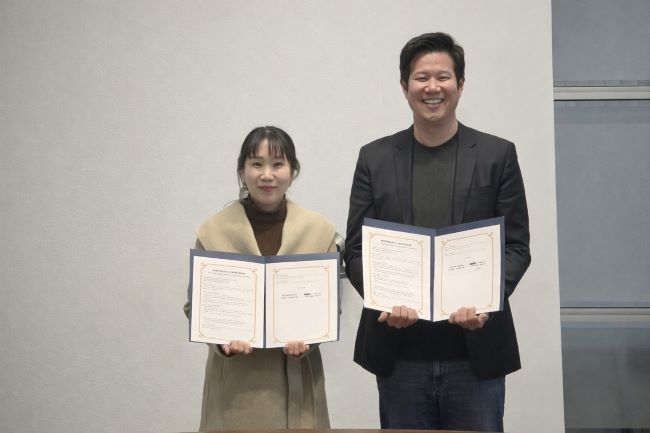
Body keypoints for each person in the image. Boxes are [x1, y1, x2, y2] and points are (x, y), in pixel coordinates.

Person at [344, 32, 531, 432]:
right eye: (421, 77)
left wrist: (486, 300)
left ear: (460, 84)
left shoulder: (497, 155)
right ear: (404, 86)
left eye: (443, 77)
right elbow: (356, 250)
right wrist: (383, 300)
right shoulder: (374, 158)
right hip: (400, 355)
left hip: (476, 354)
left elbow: (516, 246)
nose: (432, 87)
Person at [185, 126, 337, 431]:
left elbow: (330, 308)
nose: (267, 175)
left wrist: (310, 339)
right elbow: (195, 306)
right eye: (256, 164)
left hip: (298, 384)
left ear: (292, 171)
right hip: (235, 386)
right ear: (242, 172)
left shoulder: (319, 231)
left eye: (278, 164)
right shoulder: (213, 231)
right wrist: (221, 341)